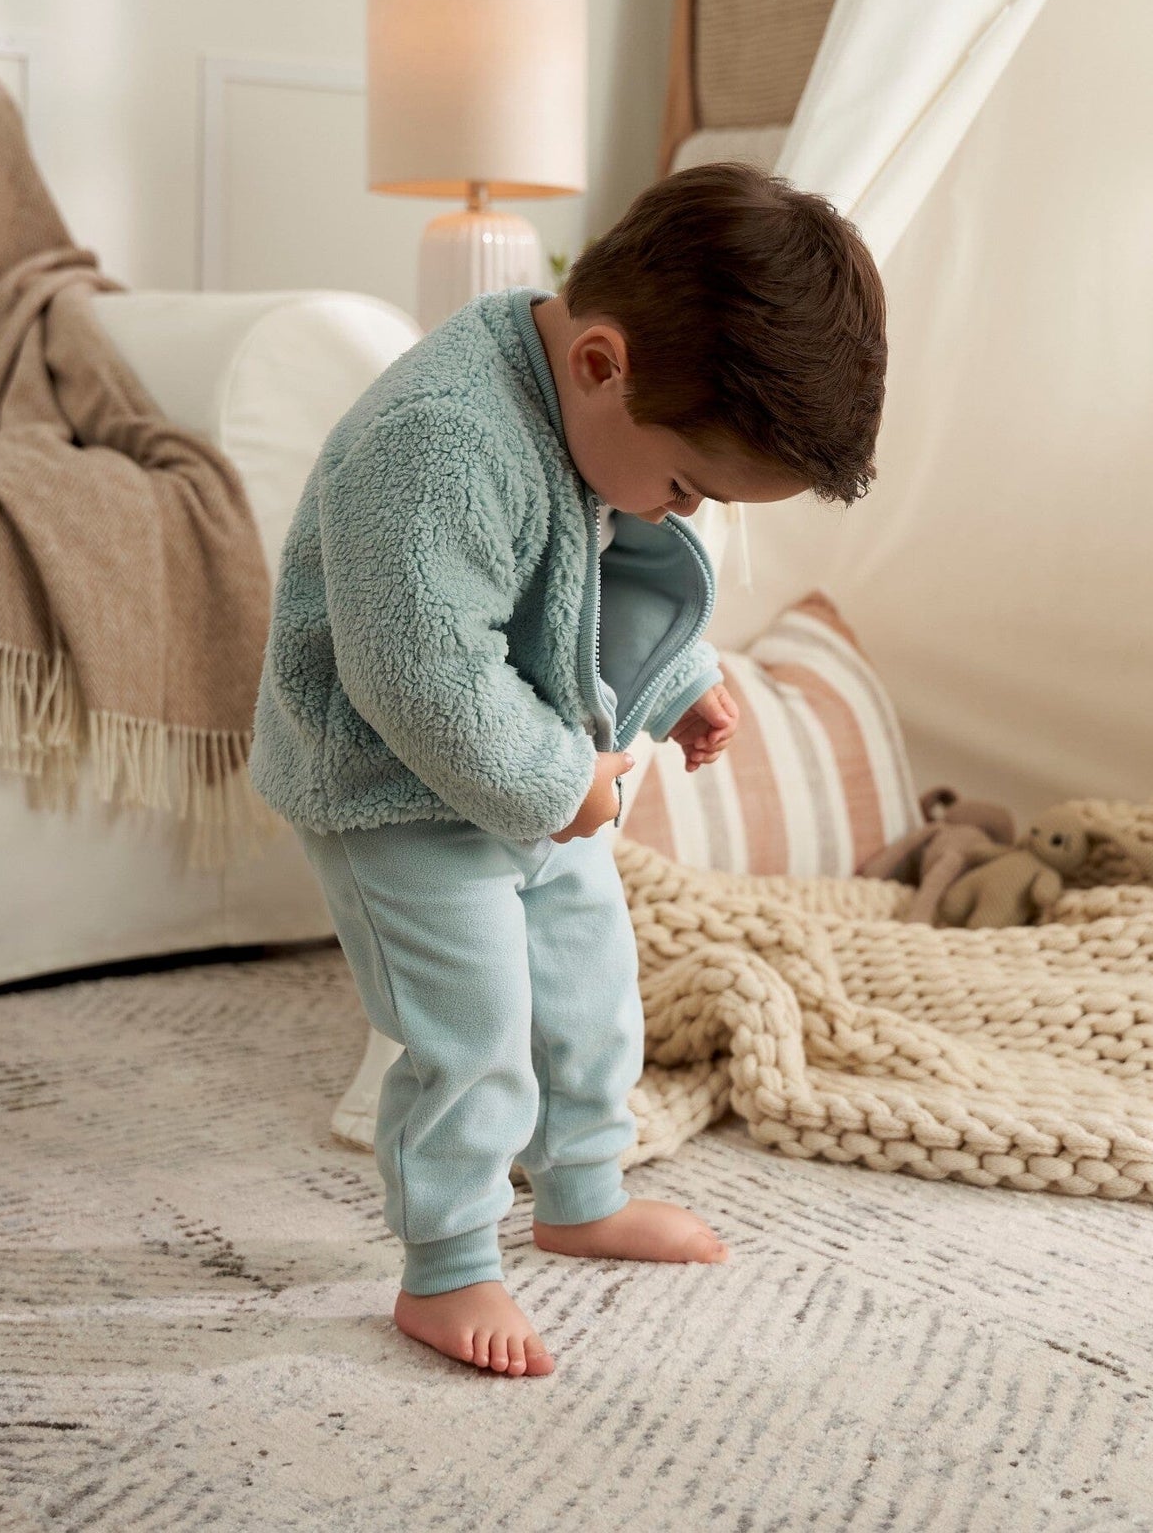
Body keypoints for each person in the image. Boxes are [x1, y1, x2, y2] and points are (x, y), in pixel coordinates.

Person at [250, 163, 886, 1376]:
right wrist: (561, 783)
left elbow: (594, 564)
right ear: (603, 363)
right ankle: (448, 1267)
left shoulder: (588, 411)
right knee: (473, 1030)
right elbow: (421, 671)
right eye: (688, 487)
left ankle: (583, 1192)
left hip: (527, 769)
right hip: (392, 791)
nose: (683, 512)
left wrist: (680, 674)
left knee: (594, 989)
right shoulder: (437, 441)